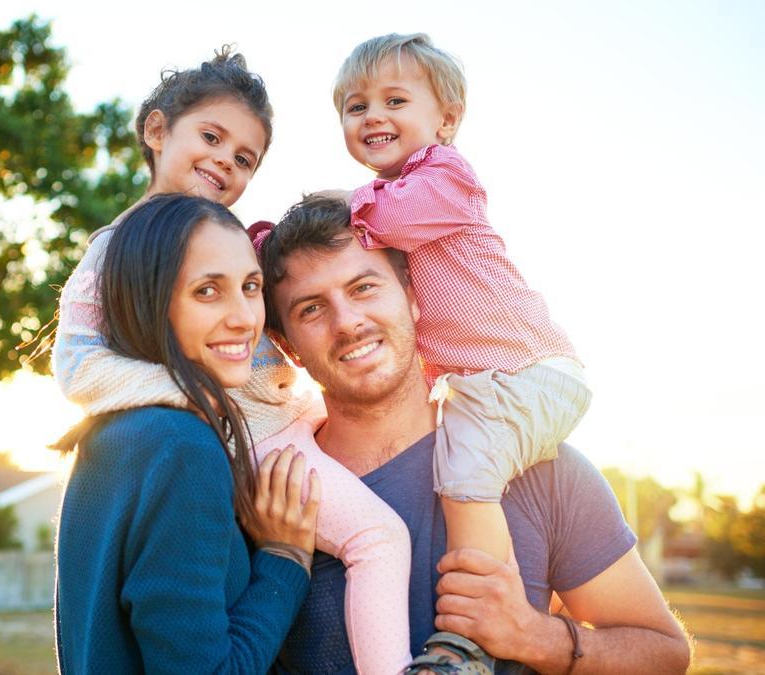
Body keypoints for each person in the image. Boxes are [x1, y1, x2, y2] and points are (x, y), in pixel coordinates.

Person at [52, 47, 413, 675]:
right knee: (378, 540)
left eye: (244, 158)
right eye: (211, 136)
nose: (225, 160)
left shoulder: (231, 242)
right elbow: (78, 366)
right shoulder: (116, 255)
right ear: (157, 130)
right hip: (261, 442)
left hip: (280, 428)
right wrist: (196, 396)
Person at [254, 195, 690, 674]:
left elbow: (664, 654)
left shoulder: (542, 468)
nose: (348, 323)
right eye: (312, 309)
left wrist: (535, 637)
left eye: (363, 288)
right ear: (286, 346)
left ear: (414, 299)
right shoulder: (267, 496)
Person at [54, 194, 321, 673]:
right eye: (207, 291)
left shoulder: (115, 432)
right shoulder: (181, 447)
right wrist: (286, 559)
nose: (243, 318)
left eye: (250, 286)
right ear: (150, 301)